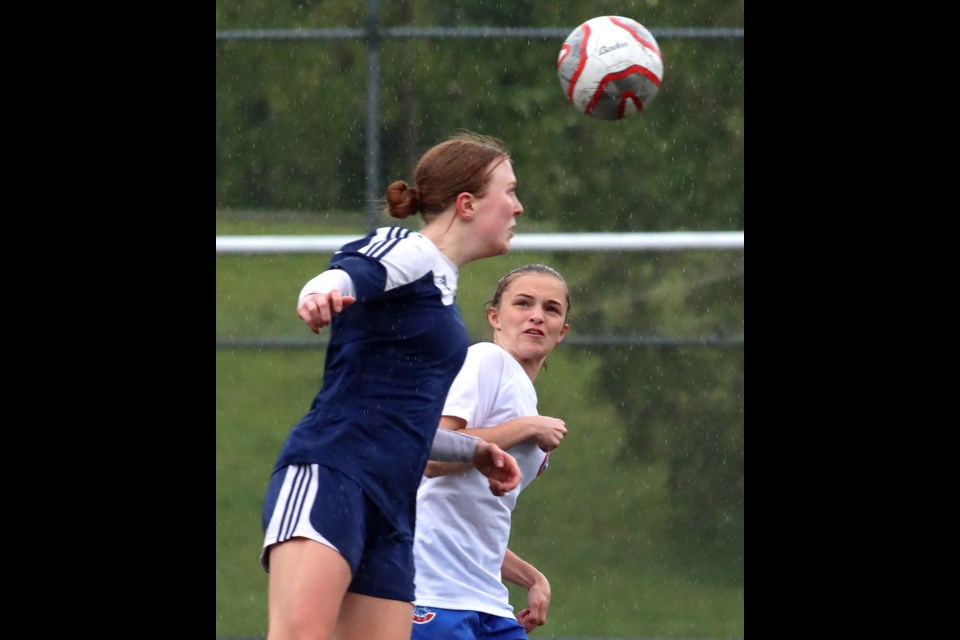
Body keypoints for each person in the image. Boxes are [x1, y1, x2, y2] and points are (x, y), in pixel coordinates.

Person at [260, 131, 527, 640]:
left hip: (392, 510)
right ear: (467, 203)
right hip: (333, 472)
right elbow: (346, 274)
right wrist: (319, 293)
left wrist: (471, 451)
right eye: (509, 191)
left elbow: (405, 424)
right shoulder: (410, 249)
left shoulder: (444, 295)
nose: (517, 206)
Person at [410, 263, 572, 639]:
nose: (536, 316)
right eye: (523, 303)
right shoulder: (486, 359)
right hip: (433, 593)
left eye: (551, 309)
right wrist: (526, 428)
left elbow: (471, 523)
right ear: (494, 317)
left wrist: (532, 578)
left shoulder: (529, 407)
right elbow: (431, 458)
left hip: (489, 603)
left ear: (562, 331)